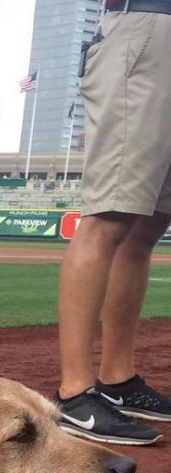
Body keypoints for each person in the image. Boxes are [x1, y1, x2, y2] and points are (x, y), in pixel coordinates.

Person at [55, 0, 171, 446]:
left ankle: (118, 381)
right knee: (109, 216)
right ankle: (74, 394)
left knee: (149, 225)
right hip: (147, 27)